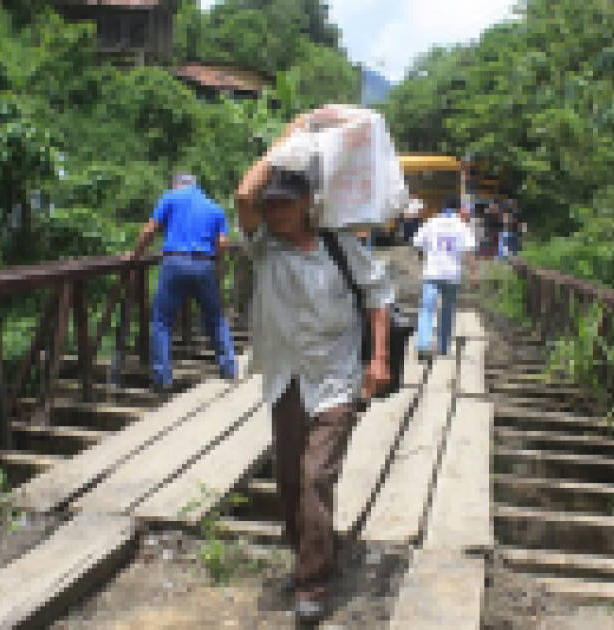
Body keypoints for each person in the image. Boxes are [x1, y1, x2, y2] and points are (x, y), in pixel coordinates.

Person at [235, 115, 393, 623]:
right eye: (271, 204)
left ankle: (313, 584)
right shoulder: (263, 249)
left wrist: (379, 358)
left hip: (336, 379)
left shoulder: (338, 245)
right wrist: (289, 136)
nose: (275, 210)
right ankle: (309, 554)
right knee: (287, 480)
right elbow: (243, 196)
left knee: (315, 476)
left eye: (285, 202)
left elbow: (377, 296)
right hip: (285, 379)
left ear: (307, 202)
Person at [130, 172, 238, 392]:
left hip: (174, 262)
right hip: (203, 264)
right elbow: (223, 243)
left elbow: (150, 230)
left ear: (177, 185)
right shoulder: (214, 208)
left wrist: (135, 256)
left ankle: (162, 378)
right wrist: (211, 259)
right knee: (215, 318)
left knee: (162, 321)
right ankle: (228, 368)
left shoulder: (170, 198)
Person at [411, 196, 477, 360]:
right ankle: (443, 346)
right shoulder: (462, 226)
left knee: (427, 309)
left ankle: (424, 343)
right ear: (457, 209)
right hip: (452, 275)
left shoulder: (431, 222)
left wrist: (423, 258)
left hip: (432, 273)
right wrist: (474, 272)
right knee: (448, 310)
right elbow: (469, 252)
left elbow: (418, 243)